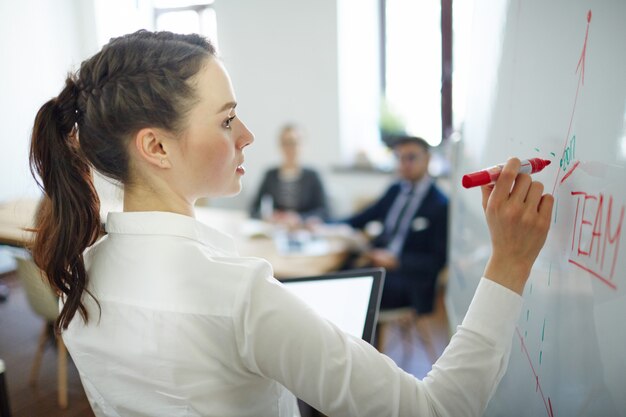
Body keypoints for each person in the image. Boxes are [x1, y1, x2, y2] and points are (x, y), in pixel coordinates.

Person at [29, 30, 553, 417]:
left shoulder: (75, 273)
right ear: (157, 147)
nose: (248, 136)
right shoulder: (238, 296)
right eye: (227, 119)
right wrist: (509, 260)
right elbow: (437, 409)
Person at [338, 136, 447, 359]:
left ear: (427, 160)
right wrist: (319, 223)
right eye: (399, 158)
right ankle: (347, 355)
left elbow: (438, 260)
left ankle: (363, 361)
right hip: (380, 266)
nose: (404, 163)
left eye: (411, 158)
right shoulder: (395, 190)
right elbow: (359, 218)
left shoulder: (440, 204)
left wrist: (396, 260)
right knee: (339, 275)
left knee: (357, 287)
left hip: (409, 278)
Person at [250, 124, 329, 226]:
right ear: (279, 146)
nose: (290, 148)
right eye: (285, 143)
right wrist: (268, 217)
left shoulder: (313, 176)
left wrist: (300, 218)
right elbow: (253, 209)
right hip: (277, 228)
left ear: (303, 145)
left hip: (303, 229)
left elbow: (324, 211)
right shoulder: (270, 175)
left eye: (294, 143)